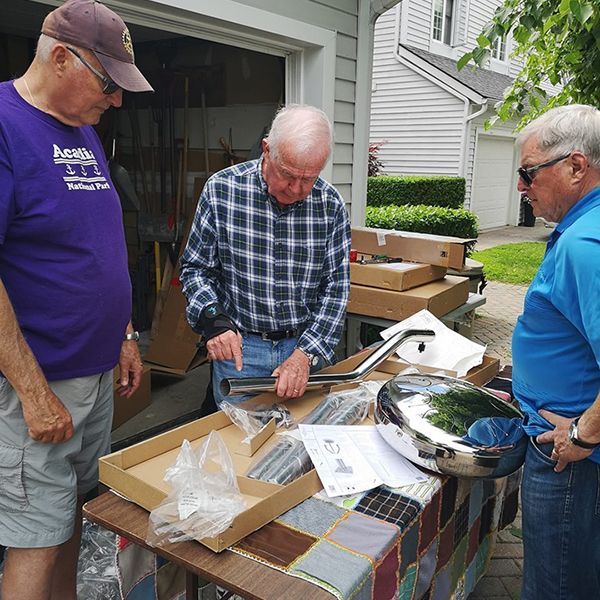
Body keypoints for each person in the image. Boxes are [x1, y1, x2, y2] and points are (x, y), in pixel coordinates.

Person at [0, 1, 153, 598]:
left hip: (93, 379)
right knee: (34, 540)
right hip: (40, 385)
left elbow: (99, 241)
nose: (116, 100)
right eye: (107, 82)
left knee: (68, 523)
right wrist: (34, 395)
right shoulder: (7, 125)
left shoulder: (81, 129)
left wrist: (124, 333)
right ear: (60, 57)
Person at [180, 104, 351, 407]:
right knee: (240, 445)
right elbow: (196, 269)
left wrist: (306, 354)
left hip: (303, 347)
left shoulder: (330, 205)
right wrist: (214, 320)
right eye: (288, 174)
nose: (298, 189)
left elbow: (335, 290)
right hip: (241, 350)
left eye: (309, 178)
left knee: (302, 444)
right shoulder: (222, 190)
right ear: (266, 149)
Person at [512, 104, 600, 600]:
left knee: (556, 584)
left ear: (574, 166)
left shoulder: (586, 243)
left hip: (567, 456)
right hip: (566, 439)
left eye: (528, 173)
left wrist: (582, 437)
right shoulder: (582, 229)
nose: (522, 187)